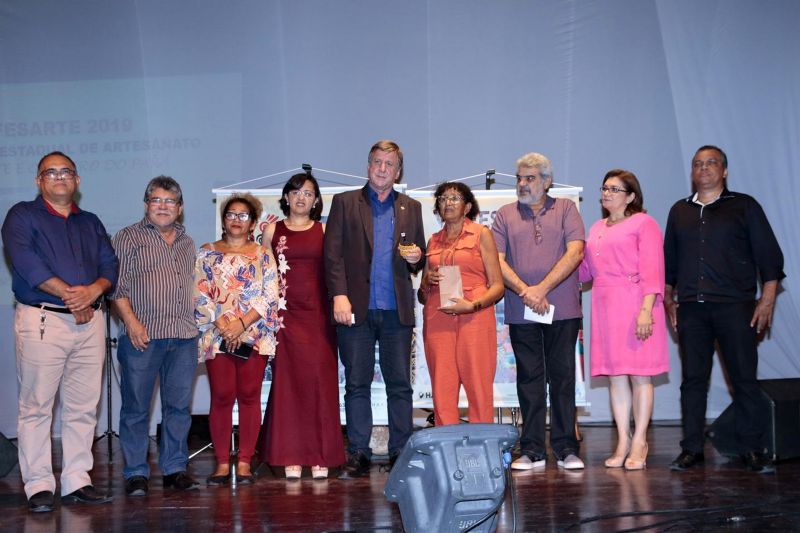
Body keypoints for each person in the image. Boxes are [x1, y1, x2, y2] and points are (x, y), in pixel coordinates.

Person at [1, 152, 118, 512]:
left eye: (66, 172)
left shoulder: (91, 221)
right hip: (43, 320)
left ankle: (76, 481)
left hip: (90, 322)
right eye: (50, 173)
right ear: (39, 181)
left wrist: (93, 291)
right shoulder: (21, 216)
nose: (59, 177)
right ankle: (37, 485)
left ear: (77, 180)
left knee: (83, 406)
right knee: (36, 406)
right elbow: (26, 263)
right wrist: (74, 296)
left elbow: (109, 263)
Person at [664, 145, 785, 474]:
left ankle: (752, 448)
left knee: (744, 380)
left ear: (724, 171)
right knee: (692, 382)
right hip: (692, 310)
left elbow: (769, 257)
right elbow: (670, 265)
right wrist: (668, 300)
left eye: (711, 163)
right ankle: (691, 449)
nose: (704, 169)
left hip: (736, 308)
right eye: (698, 164)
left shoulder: (744, 206)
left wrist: (768, 299)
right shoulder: (679, 211)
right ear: (692, 172)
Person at [324, 140, 426, 478]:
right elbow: (333, 255)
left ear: (398, 171)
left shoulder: (410, 207)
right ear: (368, 166)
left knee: (400, 384)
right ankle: (358, 452)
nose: (382, 169)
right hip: (355, 308)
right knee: (356, 383)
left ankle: (400, 451)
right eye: (377, 162)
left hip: (396, 309)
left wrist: (417, 258)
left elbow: (418, 254)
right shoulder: (343, 203)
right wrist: (338, 295)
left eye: (389, 164)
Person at [491, 152, 586, 470]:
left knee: (562, 378)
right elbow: (497, 261)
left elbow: (576, 252)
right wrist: (526, 291)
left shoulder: (566, 209)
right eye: (519, 177)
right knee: (529, 379)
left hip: (563, 309)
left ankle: (566, 448)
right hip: (521, 310)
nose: (522, 183)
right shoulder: (504, 214)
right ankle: (531, 449)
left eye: (530, 178)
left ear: (547, 181)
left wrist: (541, 289)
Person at [110, 176, 200, 496]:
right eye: (156, 200)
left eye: (170, 201)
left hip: (184, 337)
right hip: (142, 337)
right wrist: (132, 324)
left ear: (180, 207)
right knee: (136, 408)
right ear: (146, 204)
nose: (163, 206)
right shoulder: (127, 237)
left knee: (177, 408)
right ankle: (136, 472)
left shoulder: (189, 243)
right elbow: (116, 288)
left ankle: (175, 468)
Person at [579, 170, 669, 470]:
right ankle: (623, 440)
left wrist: (646, 309)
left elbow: (653, 269)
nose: (606, 193)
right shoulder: (596, 227)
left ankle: (640, 440)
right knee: (616, 377)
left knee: (640, 375)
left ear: (631, 196)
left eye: (615, 189)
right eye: (604, 187)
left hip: (636, 303)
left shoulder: (644, 223)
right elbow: (586, 272)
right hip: (605, 305)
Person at [257, 173, 346, 479]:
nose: (301, 198)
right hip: (284, 319)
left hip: (319, 317)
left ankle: (320, 456)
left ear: (316, 200)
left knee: (319, 384)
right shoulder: (272, 230)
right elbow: (263, 276)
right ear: (286, 197)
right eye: (295, 192)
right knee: (288, 386)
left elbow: (337, 271)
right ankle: (290, 455)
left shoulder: (324, 230)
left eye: (308, 194)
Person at [194, 193, 280, 485]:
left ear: (253, 222)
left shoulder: (263, 255)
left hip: (254, 335)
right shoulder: (206, 253)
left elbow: (271, 296)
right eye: (231, 214)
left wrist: (242, 324)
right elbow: (200, 293)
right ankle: (220, 463)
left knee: (248, 396)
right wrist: (225, 327)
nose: (236, 220)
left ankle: (244, 462)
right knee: (220, 396)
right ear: (223, 219)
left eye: (243, 216)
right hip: (217, 334)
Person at [418, 182, 503, 425]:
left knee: (478, 387)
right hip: (437, 320)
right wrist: (425, 282)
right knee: (442, 391)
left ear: (467, 207)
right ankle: (447, 452)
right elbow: (422, 296)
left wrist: (472, 305)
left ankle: (481, 452)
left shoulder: (481, 234)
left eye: (454, 198)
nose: (448, 203)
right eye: (443, 199)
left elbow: (497, 286)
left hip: (474, 318)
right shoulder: (433, 241)